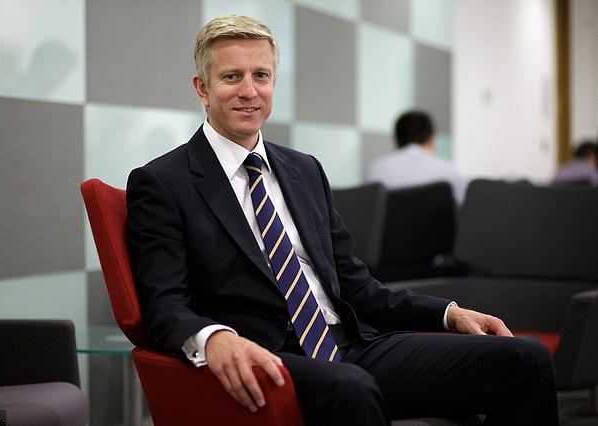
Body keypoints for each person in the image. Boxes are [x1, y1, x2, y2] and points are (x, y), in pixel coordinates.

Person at [126, 15, 558, 426]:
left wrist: (449, 313)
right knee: (352, 387)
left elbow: (359, 287)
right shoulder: (164, 182)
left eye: (261, 75)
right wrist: (214, 338)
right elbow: (164, 305)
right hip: (266, 356)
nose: (249, 91)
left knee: (526, 359)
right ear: (202, 88)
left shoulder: (304, 170)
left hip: (352, 344)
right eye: (231, 76)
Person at [366, 110, 467, 204]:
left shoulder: (373, 169)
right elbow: (464, 212)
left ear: (395, 143)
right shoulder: (450, 172)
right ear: (431, 141)